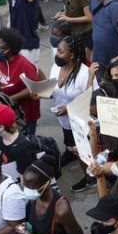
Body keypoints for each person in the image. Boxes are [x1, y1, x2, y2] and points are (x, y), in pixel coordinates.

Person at [49, 35, 92, 191]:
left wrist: (67, 108)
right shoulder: (56, 67)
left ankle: (90, 178)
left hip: (81, 122)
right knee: (73, 148)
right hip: (65, 122)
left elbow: (90, 100)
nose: (56, 54)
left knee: (84, 152)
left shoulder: (84, 74)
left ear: (72, 55)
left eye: (60, 52)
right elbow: (52, 88)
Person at [0, 28, 41, 135]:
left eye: (1, 47)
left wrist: (8, 99)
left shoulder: (23, 65)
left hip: (24, 114)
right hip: (6, 110)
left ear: (11, 49)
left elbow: (32, 88)